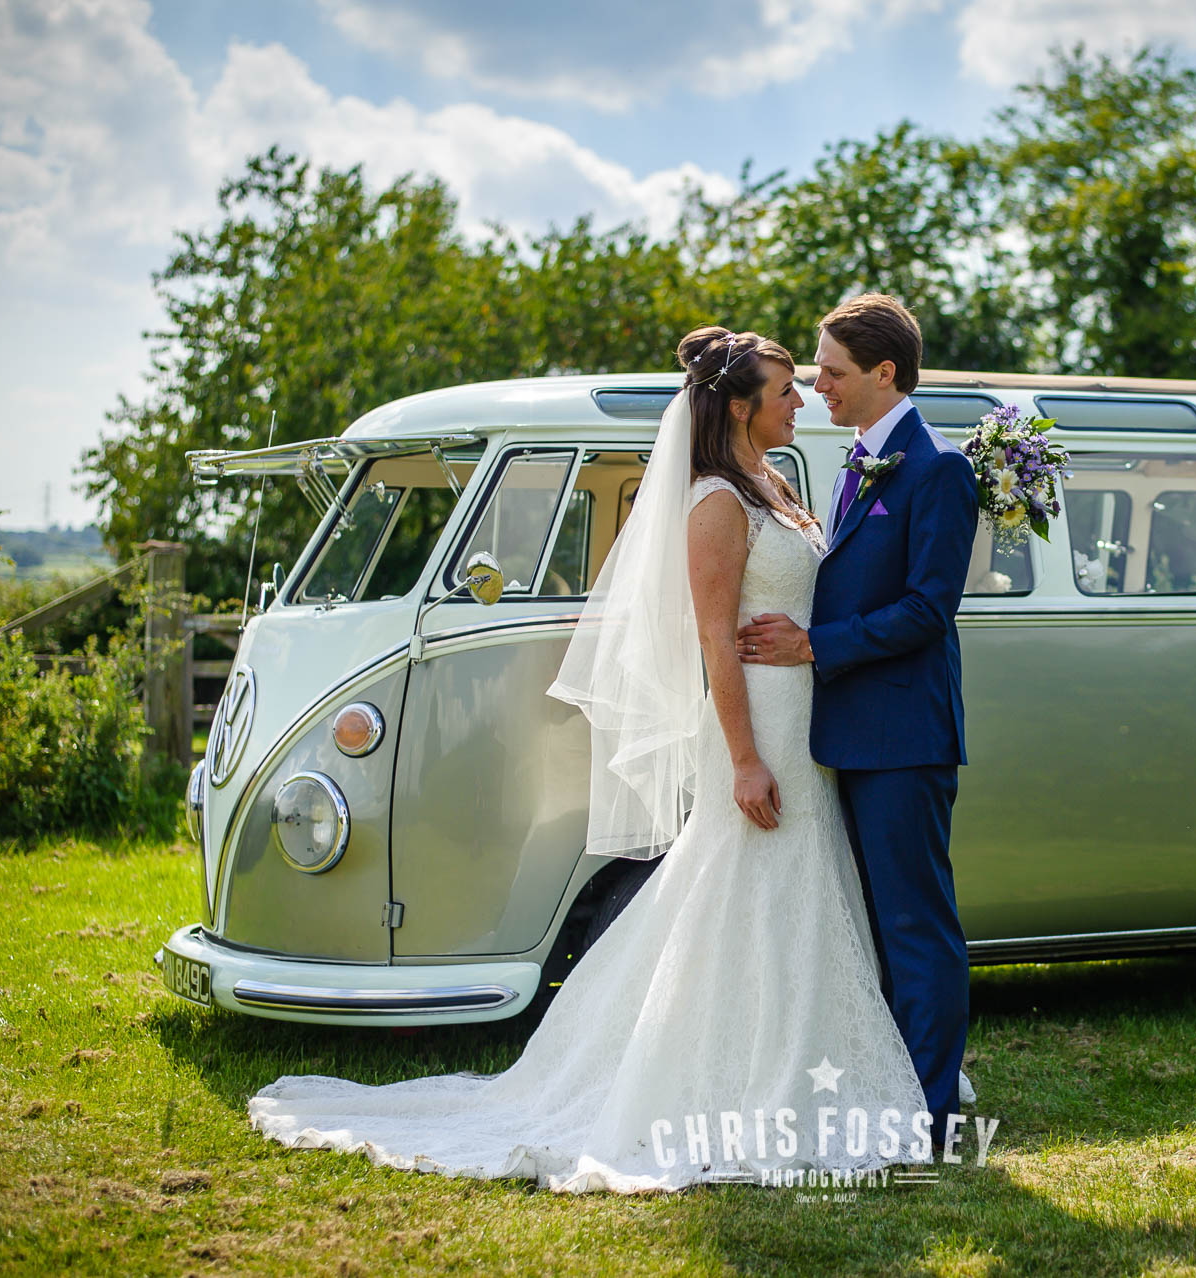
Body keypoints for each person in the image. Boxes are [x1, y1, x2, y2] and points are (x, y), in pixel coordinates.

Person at [248, 328, 933, 1192]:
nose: (801, 401)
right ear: (737, 405)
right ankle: (746, 1079)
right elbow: (716, 642)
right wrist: (744, 759)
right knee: (748, 890)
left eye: (803, 386)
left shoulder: (777, 483)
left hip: (804, 720)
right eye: (785, 389)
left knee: (789, 894)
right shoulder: (716, 500)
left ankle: (796, 1063)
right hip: (759, 729)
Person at [736, 294, 979, 1145]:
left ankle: (933, 1112)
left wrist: (814, 646)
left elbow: (926, 610)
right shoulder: (855, 464)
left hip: (905, 736)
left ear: (885, 373)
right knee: (873, 922)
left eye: (832, 373)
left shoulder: (937, 468)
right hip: (846, 733)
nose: (818, 387)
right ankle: (894, 1089)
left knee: (916, 922)